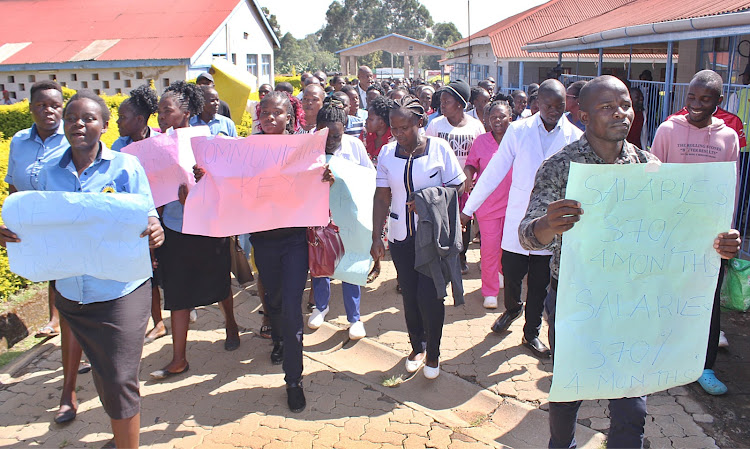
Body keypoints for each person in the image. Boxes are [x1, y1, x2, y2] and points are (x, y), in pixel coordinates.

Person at [517, 74, 741, 449]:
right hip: (577, 300)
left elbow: (675, 234)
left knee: (631, 401)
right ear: (583, 116)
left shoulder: (648, 166)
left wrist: (716, 244)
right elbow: (527, 232)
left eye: (625, 105)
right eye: (607, 107)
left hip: (634, 301)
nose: (620, 113)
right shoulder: (561, 168)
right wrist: (546, 225)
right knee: (569, 389)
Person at [1, 90, 166, 447]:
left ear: (104, 126)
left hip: (121, 289)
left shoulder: (126, 167)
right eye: (72, 117)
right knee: (106, 374)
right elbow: (37, 222)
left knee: (120, 376)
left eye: (89, 118)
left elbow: (147, 215)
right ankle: (98, 414)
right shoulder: (48, 173)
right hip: (72, 293)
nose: (79, 123)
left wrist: (155, 229)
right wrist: (12, 232)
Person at [461, 79, 583, 359]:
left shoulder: (575, 136)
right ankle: (513, 308)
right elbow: (494, 172)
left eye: (559, 106)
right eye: (548, 105)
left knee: (540, 282)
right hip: (519, 217)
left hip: (551, 223)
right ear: (536, 104)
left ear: (566, 105)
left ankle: (531, 333)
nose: (553, 111)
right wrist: (469, 209)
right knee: (512, 274)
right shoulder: (518, 131)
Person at [3, 81, 89, 424]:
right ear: (31, 108)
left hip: (71, 235)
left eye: (55, 105)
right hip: (37, 236)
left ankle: (69, 391)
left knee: (75, 305)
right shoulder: (19, 142)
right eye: (42, 105)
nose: (49, 111)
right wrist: (12, 220)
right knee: (66, 301)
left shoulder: (76, 138)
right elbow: (13, 186)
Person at [650, 70, 740, 396]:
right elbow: (652, 182)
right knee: (667, 297)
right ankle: (662, 360)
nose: (696, 105)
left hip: (708, 238)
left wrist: (726, 233)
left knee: (707, 302)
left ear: (718, 101)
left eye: (705, 99)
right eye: (691, 97)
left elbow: (730, 188)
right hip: (671, 234)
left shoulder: (728, 137)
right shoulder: (667, 130)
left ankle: (705, 366)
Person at [150, 81, 240, 382]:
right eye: (159, 111)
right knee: (177, 290)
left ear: (186, 111)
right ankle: (179, 358)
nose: (161, 116)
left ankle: (230, 324)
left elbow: (227, 181)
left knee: (219, 280)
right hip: (175, 227)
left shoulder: (208, 139)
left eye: (167, 110)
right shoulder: (156, 145)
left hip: (207, 225)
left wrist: (201, 187)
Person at [249, 90, 333, 412]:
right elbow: (231, 182)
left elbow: (317, 180)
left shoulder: (304, 148)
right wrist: (208, 177)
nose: (271, 118)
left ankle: (294, 380)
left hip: (295, 239)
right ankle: (280, 340)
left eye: (278, 112)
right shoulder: (247, 149)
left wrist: (326, 177)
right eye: (265, 112)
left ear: (290, 116)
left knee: (292, 306)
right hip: (263, 238)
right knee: (274, 299)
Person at [371, 96, 466, 380]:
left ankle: (433, 353)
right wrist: (377, 236)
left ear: (419, 123)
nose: (398, 134)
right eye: (394, 129)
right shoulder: (388, 154)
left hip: (432, 238)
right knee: (410, 296)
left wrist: (428, 200)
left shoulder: (440, 149)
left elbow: (459, 185)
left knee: (431, 296)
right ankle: (417, 346)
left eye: (404, 128)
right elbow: (382, 196)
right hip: (401, 237)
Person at [308, 97, 373, 339]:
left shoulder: (355, 146)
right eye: (325, 136)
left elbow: (369, 176)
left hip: (349, 214)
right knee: (320, 259)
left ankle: (354, 317)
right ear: (317, 129)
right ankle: (320, 306)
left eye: (336, 136)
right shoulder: (308, 144)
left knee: (350, 263)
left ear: (344, 130)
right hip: (318, 213)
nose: (331, 141)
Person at [110, 85, 167, 346]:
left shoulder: (160, 141)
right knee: (146, 274)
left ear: (140, 120)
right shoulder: (117, 148)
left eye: (123, 117)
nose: (119, 122)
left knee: (164, 271)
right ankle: (157, 322)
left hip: (165, 216)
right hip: (133, 221)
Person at [426, 80, 485, 275]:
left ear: (459, 104)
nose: (441, 105)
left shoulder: (475, 126)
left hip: (465, 186)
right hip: (440, 184)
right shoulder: (435, 125)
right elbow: (427, 152)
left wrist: (472, 177)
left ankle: (461, 256)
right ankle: (441, 256)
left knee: (463, 223)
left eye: (446, 101)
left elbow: (480, 154)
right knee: (441, 221)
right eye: (441, 101)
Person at [463, 94, 514, 309]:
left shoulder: (517, 140)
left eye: (502, 117)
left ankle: (500, 274)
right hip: (488, 206)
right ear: (486, 120)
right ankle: (490, 291)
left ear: (510, 118)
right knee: (490, 249)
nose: (497, 121)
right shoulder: (481, 141)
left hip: (514, 205)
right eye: (492, 117)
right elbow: (472, 164)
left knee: (508, 247)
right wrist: (467, 175)